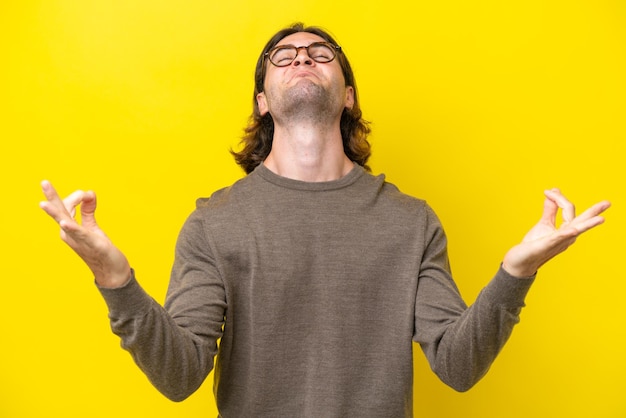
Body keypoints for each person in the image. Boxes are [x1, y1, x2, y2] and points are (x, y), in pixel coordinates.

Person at [40, 23, 610, 417]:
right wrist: (115, 279)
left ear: (349, 96)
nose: (303, 59)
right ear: (263, 99)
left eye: (320, 53)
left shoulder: (410, 221)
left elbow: (457, 366)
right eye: (283, 58)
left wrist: (516, 270)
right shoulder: (216, 223)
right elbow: (179, 375)